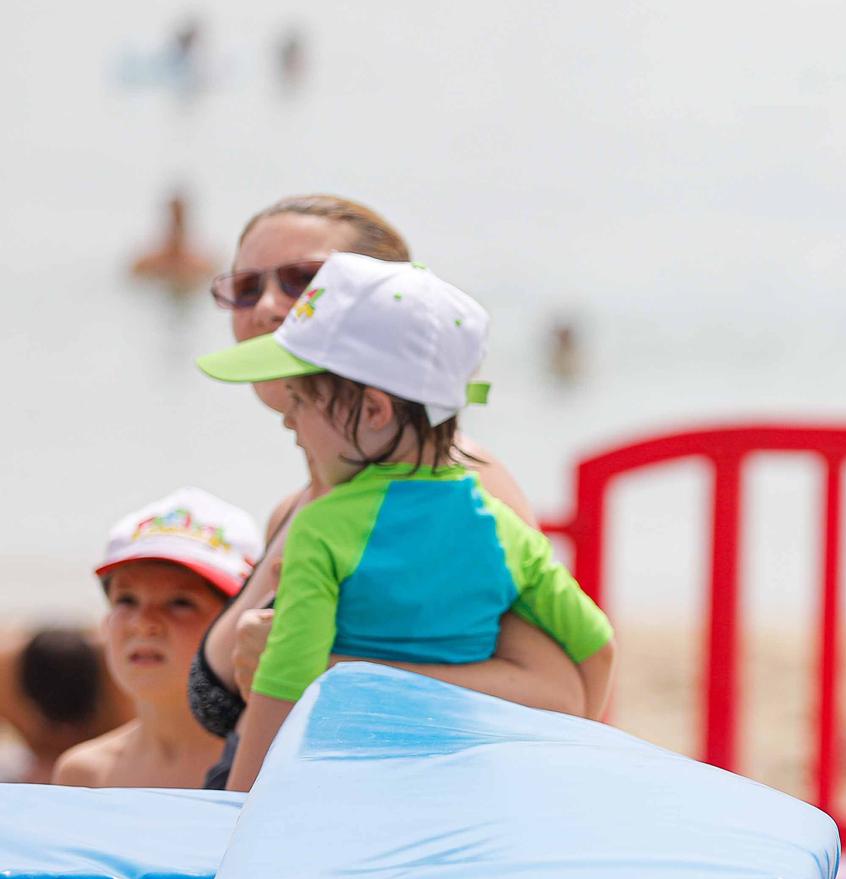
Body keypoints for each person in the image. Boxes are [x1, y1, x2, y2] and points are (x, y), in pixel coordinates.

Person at [193, 195, 586, 789]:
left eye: (304, 281)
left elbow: (555, 696)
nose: (270, 306)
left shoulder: (463, 494)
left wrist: (320, 671)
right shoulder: (305, 502)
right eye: (246, 287)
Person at [53, 489, 262, 788]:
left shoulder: (266, 765)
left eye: (181, 602)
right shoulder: (84, 775)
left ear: (238, 622)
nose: (143, 623)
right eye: (126, 600)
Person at [0, 628, 133, 783]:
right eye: (53, 728)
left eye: (74, 729)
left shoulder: (121, 684)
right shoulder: (5, 678)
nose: (65, 737)